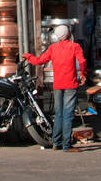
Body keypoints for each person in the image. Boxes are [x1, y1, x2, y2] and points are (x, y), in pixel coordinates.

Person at [22, 24, 87, 152]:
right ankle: (67, 145)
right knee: (68, 115)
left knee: (58, 114)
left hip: (57, 85)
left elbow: (39, 61)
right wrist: (83, 74)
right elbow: (82, 62)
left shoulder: (53, 48)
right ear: (68, 34)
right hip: (71, 84)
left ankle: (56, 143)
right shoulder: (75, 46)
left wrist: (29, 57)